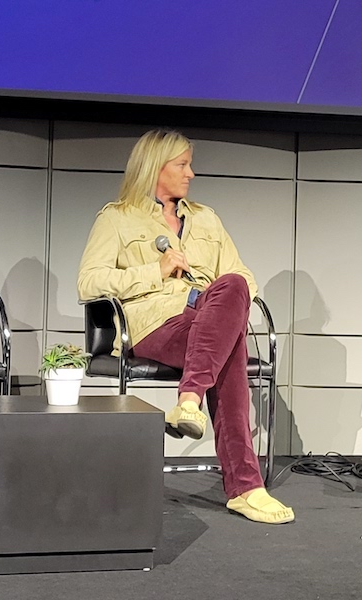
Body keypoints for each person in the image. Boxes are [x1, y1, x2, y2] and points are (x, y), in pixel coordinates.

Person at [78, 129, 294, 524]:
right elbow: (88, 282)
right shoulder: (117, 218)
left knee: (232, 285)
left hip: (205, 320)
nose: (191, 173)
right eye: (182, 165)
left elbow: (244, 278)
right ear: (155, 167)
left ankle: (189, 400)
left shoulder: (207, 219)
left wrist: (217, 302)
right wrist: (154, 270)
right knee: (230, 347)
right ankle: (245, 488)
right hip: (154, 325)